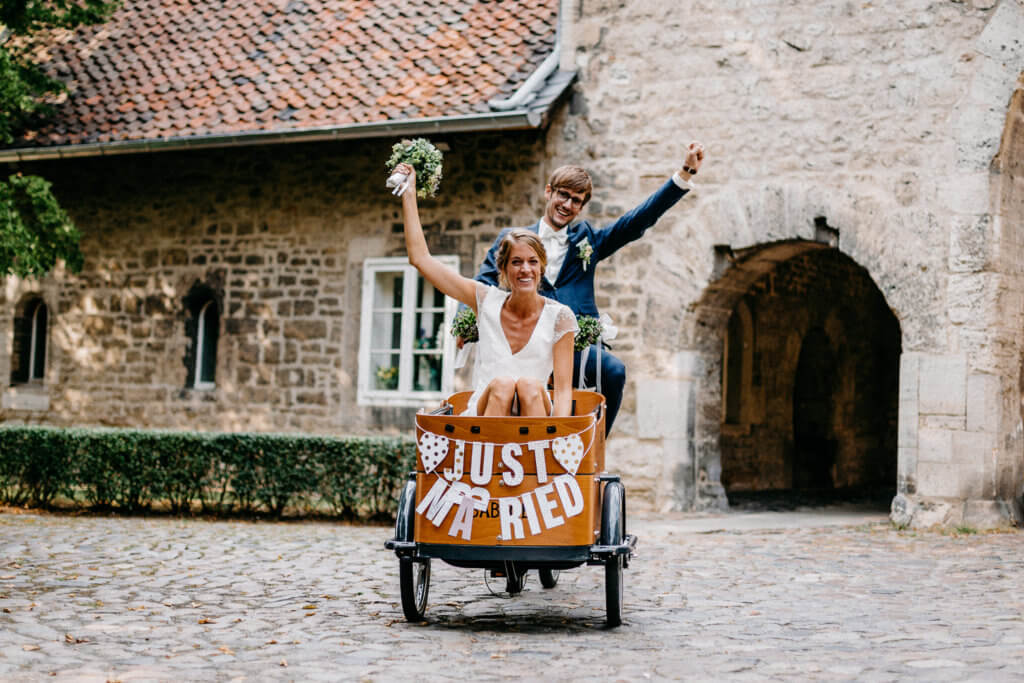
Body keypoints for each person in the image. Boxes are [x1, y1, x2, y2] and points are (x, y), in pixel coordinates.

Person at [465, 142, 706, 433]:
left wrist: (683, 175)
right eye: (563, 195)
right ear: (548, 192)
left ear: (582, 205)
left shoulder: (587, 240)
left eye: (576, 200)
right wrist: (462, 326)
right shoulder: (514, 239)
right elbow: (482, 283)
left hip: (573, 343)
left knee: (614, 371)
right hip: (527, 342)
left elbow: (635, 222)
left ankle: (594, 446)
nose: (567, 205)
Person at [395, 163, 578, 417]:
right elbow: (421, 259)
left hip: (536, 416)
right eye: (516, 262)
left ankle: (536, 454)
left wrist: (560, 441)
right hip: (486, 414)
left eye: (532, 262)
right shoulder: (485, 299)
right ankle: (488, 453)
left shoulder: (561, 317)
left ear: (541, 268)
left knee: (529, 385)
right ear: (503, 269)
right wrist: (409, 193)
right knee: (503, 385)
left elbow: (563, 390)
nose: (526, 269)